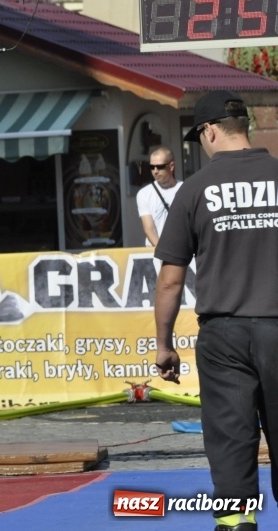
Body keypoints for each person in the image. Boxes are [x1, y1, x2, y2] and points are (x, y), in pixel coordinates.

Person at [155, 90, 273, 531]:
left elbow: (171, 278)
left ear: (208, 131)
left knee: (230, 438)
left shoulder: (195, 189)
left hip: (225, 336)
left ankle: (237, 519)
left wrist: (164, 346)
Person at [136, 146, 182, 247]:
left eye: (160, 167)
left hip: (183, 251)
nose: (155, 171)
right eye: (151, 167)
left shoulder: (185, 189)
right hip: (156, 252)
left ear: (171, 166)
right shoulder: (144, 193)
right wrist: (162, 252)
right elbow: (149, 229)